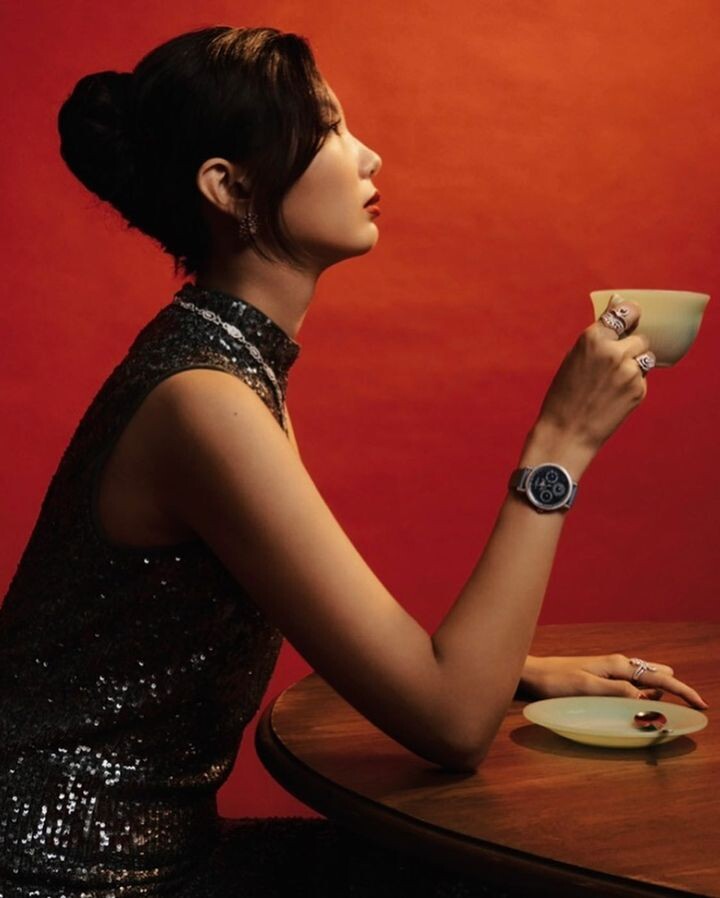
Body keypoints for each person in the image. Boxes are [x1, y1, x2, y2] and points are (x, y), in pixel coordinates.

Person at [0, 22, 708, 898]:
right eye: (329, 128)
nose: (367, 155)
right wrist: (562, 442)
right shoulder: (203, 401)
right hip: (75, 880)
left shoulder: (225, 364)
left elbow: (380, 653)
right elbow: (450, 723)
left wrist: (511, 676)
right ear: (229, 186)